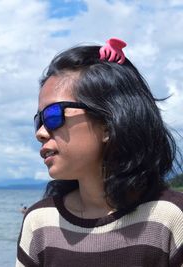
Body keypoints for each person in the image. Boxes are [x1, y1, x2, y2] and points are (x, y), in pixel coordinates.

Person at [16, 38, 183, 267]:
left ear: (108, 122)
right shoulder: (40, 223)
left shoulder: (171, 218)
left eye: (54, 116)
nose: (41, 133)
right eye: (39, 121)